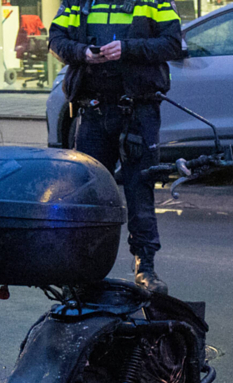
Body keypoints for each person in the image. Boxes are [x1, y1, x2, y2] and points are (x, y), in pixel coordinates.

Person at [49, 0, 183, 295]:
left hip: (138, 111)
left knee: (140, 188)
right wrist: (82, 53)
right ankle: (83, 269)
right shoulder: (78, 2)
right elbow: (57, 40)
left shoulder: (154, 2)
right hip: (93, 111)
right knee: (87, 194)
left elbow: (172, 43)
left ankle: (145, 267)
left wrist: (128, 48)